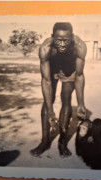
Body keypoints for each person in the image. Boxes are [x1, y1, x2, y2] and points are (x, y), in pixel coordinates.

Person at [30, 22, 87, 157]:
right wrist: (50, 111)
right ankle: (44, 142)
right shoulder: (45, 48)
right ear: (52, 37)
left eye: (66, 40)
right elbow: (46, 80)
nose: (62, 44)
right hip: (52, 67)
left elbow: (79, 75)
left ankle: (62, 142)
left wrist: (81, 104)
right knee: (47, 101)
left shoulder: (79, 47)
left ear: (72, 38)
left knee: (66, 99)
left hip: (69, 68)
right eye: (58, 40)